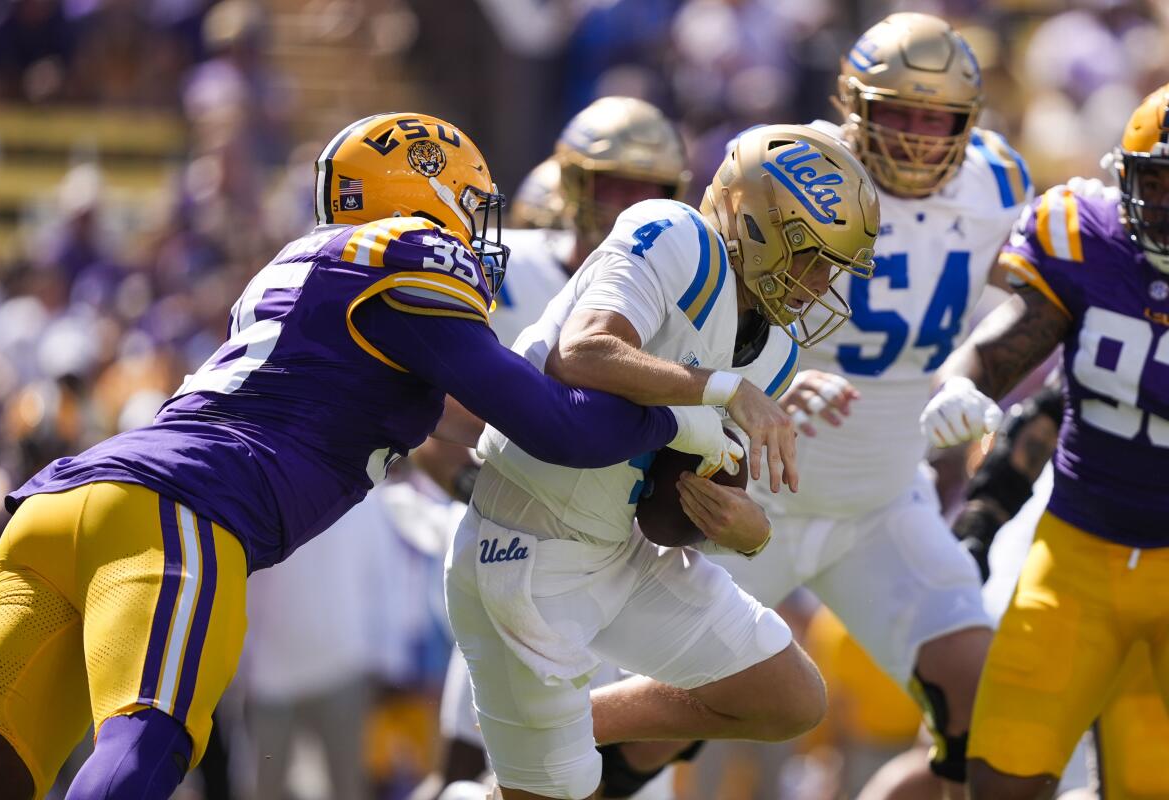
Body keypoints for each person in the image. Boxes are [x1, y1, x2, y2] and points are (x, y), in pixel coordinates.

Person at [0, 112, 754, 800]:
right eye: (468, 206)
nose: (473, 231)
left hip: (63, 510)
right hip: (176, 514)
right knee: (149, 741)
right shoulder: (407, 254)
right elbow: (558, 426)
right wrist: (684, 418)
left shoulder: (304, 265)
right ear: (426, 194)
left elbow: (439, 422)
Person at [446, 123, 879, 800]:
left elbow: (670, 501)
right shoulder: (675, 234)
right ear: (757, 223)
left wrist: (739, 530)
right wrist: (724, 389)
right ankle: (535, 745)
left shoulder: (775, 348)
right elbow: (583, 353)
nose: (820, 283)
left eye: (834, 265)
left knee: (789, 698)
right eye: (812, 256)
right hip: (526, 546)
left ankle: (555, 731)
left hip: (621, 549)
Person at [677, 13, 1030, 799]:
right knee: (649, 731)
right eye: (895, 111)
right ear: (853, 105)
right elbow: (690, 308)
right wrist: (760, 374)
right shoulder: (787, 162)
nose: (913, 135)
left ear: (968, 121)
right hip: (748, 498)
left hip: (882, 501)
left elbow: (1038, 305)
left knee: (990, 720)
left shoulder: (998, 180)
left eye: (934, 117)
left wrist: (972, 379)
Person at [418, 96, 697, 800]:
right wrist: (485, 494)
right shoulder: (501, 268)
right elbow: (424, 418)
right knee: (474, 746)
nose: (630, 203)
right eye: (612, 182)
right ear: (573, 182)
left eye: (649, 189)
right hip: (507, 543)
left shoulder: (686, 286)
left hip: (625, 554)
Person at [920, 82, 1169, 799]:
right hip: (1076, 558)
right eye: (1161, 183)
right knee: (1001, 782)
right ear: (1126, 179)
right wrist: (964, 384)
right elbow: (1005, 346)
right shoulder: (1086, 237)